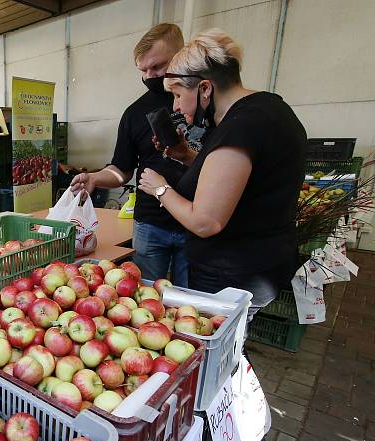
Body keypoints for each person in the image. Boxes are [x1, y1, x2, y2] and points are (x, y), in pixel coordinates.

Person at [138, 28, 306, 316]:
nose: (176, 106)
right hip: (263, 264)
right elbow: (239, 181)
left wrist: (160, 189)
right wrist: (187, 157)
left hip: (231, 277)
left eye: (178, 95)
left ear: (205, 88)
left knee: (219, 352)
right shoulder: (270, 110)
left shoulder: (241, 127)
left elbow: (206, 221)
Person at [70, 23, 190, 286]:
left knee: (193, 302)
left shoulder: (204, 104)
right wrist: (95, 178)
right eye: (143, 70)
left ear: (180, 57)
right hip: (151, 224)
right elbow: (121, 169)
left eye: (157, 67)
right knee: (143, 298)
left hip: (196, 224)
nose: (150, 76)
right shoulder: (135, 113)